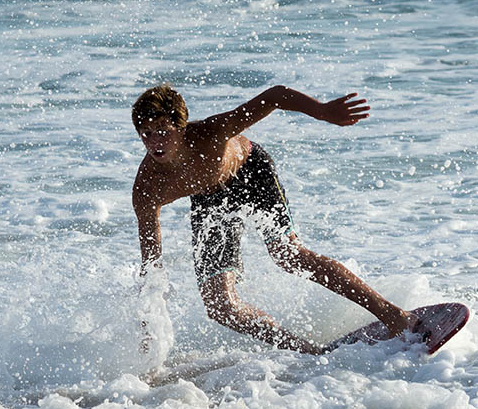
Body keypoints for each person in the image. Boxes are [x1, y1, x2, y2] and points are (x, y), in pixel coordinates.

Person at [131, 83, 416, 355]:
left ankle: (395, 316)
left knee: (288, 256)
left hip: (251, 172)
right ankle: (309, 352)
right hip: (211, 201)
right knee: (221, 307)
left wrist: (323, 111)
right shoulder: (147, 188)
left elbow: (276, 96)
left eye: (162, 131)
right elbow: (151, 267)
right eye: (146, 134)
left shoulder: (212, 132)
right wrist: (149, 329)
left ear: (181, 127)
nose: (154, 142)